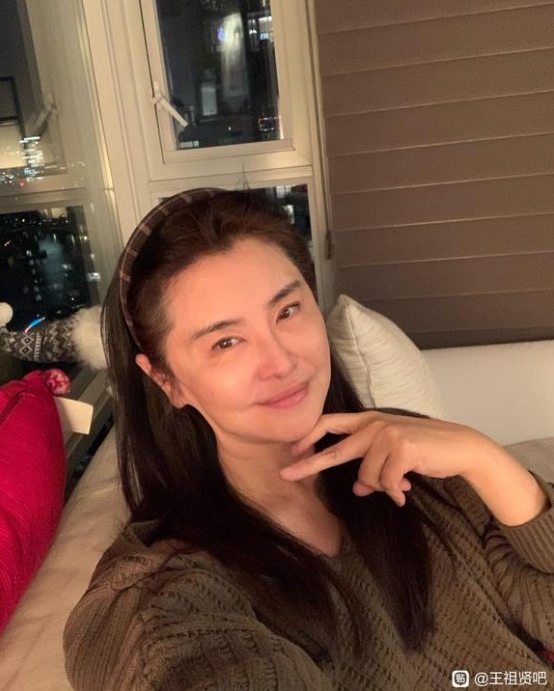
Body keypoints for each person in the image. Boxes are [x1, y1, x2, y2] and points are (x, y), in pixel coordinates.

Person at [64, 189, 554, 691]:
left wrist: (485, 458)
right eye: (226, 342)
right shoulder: (165, 591)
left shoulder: (417, 456)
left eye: (288, 311)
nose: (281, 362)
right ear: (167, 380)